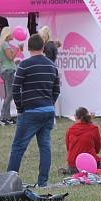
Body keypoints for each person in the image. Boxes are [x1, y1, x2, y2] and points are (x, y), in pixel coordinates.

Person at [7, 34, 60, 187]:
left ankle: (9, 182)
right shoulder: (52, 66)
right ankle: (43, 182)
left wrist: (20, 108)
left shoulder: (24, 65)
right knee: (45, 146)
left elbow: (15, 89)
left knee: (18, 147)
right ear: (43, 47)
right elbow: (56, 90)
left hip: (30, 111)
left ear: (29, 48)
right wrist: (50, 103)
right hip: (48, 110)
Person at [0, 26, 24, 125]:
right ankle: (3, 118)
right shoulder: (5, 45)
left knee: (9, 95)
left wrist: (13, 63)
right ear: (7, 35)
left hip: (5, 70)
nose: (13, 35)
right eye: (11, 33)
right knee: (9, 95)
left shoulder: (1, 45)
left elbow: (0, 60)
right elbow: (10, 57)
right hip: (9, 71)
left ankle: (6, 118)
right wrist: (17, 49)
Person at [65, 107, 101, 173]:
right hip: (90, 165)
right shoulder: (94, 128)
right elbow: (97, 149)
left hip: (73, 166)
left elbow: (68, 148)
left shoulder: (70, 129)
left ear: (75, 117)